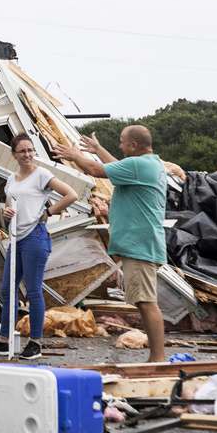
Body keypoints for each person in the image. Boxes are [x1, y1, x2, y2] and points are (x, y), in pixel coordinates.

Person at [54, 126, 168, 362]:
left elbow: (96, 169)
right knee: (143, 301)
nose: (120, 145)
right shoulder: (146, 164)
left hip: (140, 245)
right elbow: (117, 164)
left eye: (122, 141)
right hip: (142, 244)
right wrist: (98, 149)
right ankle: (156, 357)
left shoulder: (140, 165)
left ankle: (158, 358)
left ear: (134, 145)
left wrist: (75, 155)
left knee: (147, 302)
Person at [0, 133, 78, 360]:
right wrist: (6, 212)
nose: (28, 154)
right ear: (14, 154)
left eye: (30, 150)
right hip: (16, 238)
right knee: (7, 290)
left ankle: (35, 343)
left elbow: (70, 194)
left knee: (33, 291)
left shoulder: (42, 174)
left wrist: (48, 212)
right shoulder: (12, 179)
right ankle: (4, 341)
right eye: (22, 151)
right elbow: (9, 205)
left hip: (35, 237)